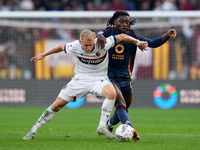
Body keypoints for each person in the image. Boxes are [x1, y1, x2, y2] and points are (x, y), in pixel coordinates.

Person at [23, 29, 148, 140]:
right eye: (85, 45)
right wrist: (43, 54)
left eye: (90, 45)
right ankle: (32, 131)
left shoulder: (103, 43)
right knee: (56, 105)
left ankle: (102, 126)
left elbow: (122, 36)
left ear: (94, 41)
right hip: (80, 80)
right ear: (80, 41)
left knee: (111, 93)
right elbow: (61, 47)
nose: (88, 48)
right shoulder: (75, 46)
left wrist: (138, 43)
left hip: (99, 79)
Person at [96, 10, 177, 142]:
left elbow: (153, 43)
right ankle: (131, 129)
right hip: (109, 77)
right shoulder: (108, 32)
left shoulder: (132, 35)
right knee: (120, 103)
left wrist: (167, 35)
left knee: (125, 106)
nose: (124, 24)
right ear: (114, 21)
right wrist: (99, 34)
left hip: (125, 77)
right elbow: (96, 35)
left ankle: (109, 124)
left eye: (127, 22)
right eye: (121, 21)